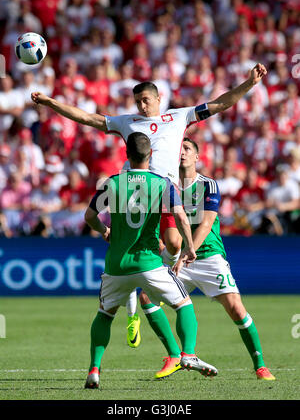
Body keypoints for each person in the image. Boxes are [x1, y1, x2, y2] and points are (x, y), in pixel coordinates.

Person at [31, 62, 267, 349]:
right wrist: (50, 102)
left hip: (165, 194)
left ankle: (146, 300)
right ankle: (135, 311)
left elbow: (220, 103)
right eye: (138, 101)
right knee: (136, 253)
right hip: (135, 195)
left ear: (158, 99)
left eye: (146, 100)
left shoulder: (179, 117)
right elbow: (87, 118)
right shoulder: (125, 121)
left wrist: (249, 84)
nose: (142, 106)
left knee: (173, 244)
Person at [83, 132, 218, 389]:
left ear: (126, 156)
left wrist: (105, 231)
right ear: (151, 155)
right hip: (148, 263)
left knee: (105, 314)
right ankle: (187, 353)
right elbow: (179, 216)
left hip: (117, 265)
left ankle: (94, 369)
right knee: (183, 304)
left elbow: (89, 216)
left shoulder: (111, 183)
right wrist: (190, 246)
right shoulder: (162, 182)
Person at [143, 137, 275, 381]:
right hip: (178, 259)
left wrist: (187, 251)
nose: (182, 152)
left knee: (236, 308)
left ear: (197, 157)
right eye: (179, 149)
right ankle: (175, 355)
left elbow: (206, 223)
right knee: (147, 298)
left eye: (187, 149)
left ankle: (260, 365)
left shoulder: (208, 185)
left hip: (208, 256)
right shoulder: (164, 187)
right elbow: (158, 224)